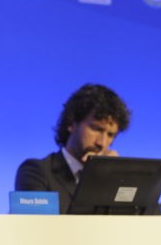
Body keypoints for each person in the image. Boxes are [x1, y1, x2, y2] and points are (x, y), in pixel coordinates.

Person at [14, 83, 131, 213]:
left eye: (110, 135)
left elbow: (154, 225)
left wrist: (116, 177)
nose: (102, 143)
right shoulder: (36, 173)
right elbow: (37, 229)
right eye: (96, 129)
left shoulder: (116, 177)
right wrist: (93, 178)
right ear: (71, 123)